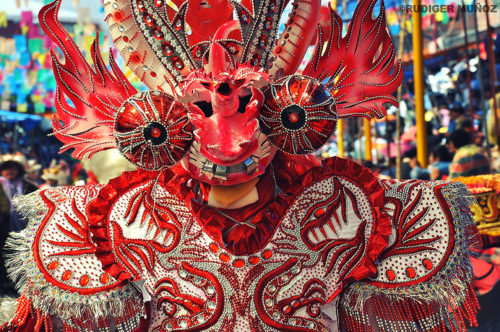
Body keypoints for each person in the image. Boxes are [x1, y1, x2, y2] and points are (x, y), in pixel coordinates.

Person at [1, 1, 480, 331]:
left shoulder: (354, 209)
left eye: (252, 105)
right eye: (194, 113)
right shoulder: (113, 220)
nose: (226, 144)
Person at [0, 160, 37, 293]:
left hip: (26, 227)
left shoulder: (29, 186)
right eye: (6, 169)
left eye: (13, 169)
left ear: (19, 170)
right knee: (4, 254)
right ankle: (4, 282)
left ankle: (22, 281)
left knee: (24, 253)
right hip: (3, 226)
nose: (9, 172)